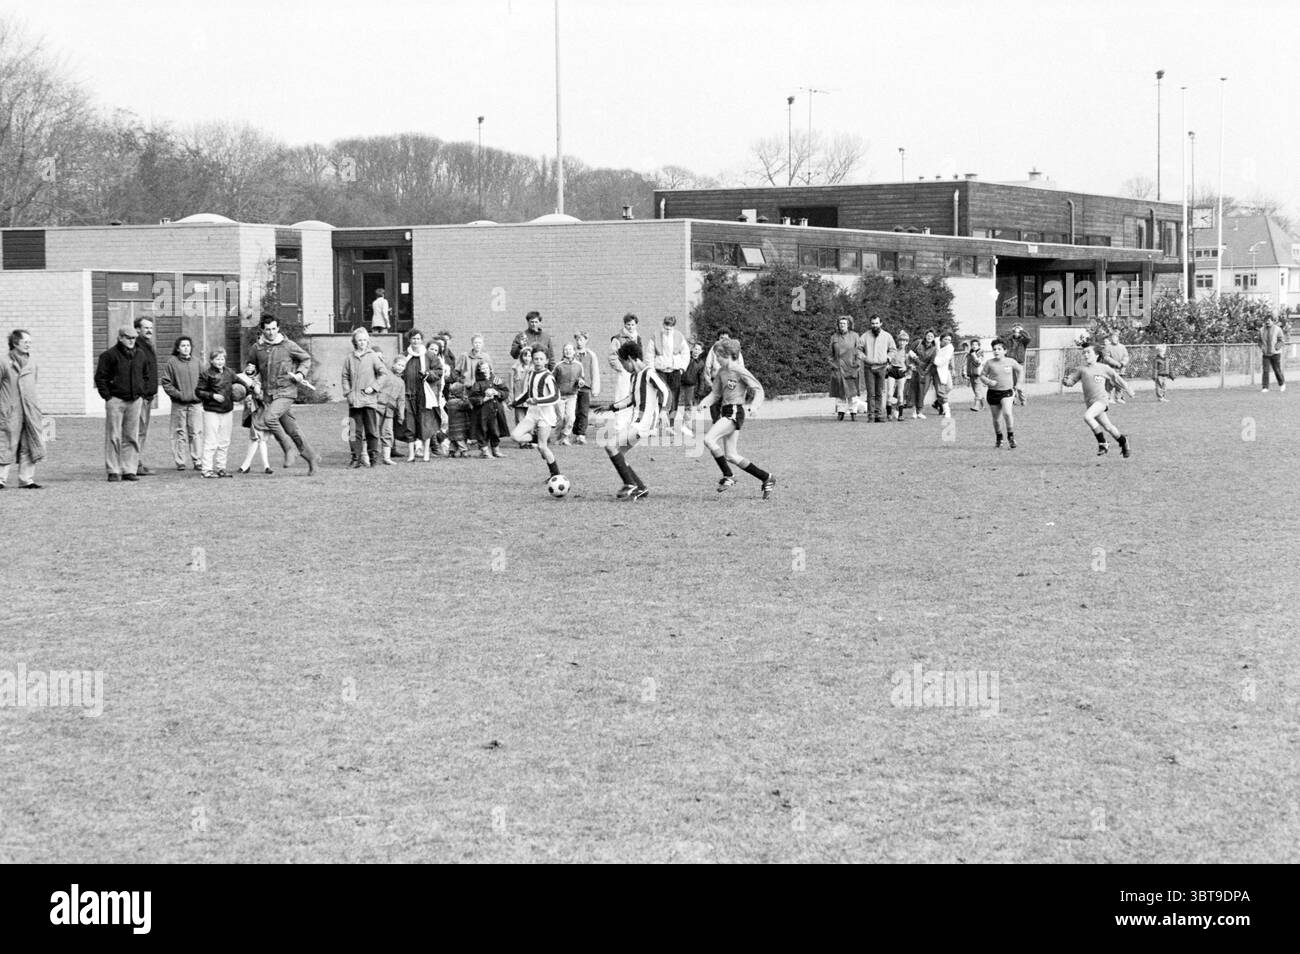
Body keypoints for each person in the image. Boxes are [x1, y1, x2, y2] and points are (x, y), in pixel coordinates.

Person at [699, 339, 776, 499]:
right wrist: (704, 403)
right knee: (731, 455)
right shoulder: (721, 372)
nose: (716, 359)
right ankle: (766, 478)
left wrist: (754, 406)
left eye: (718, 355)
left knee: (708, 439)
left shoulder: (740, 371)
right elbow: (715, 394)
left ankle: (728, 475)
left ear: (727, 355)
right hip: (726, 411)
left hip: (735, 411)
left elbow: (758, 389)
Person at [246, 314, 320, 475]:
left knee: (269, 418)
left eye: (273, 329)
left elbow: (305, 359)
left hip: (286, 392)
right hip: (269, 396)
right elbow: (251, 368)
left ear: (278, 328)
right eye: (267, 330)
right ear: (262, 330)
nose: (271, 332)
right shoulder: (257, 348)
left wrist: (300, 373)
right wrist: (250, 372)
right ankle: (312, 458)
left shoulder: (288, 345)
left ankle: (288, 449)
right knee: (293, 430)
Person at [603, 339, 669, 501]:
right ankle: (640, 488)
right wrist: (611, 407)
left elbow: (665, 391)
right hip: (638, 422)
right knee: (619, 452)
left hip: (643, 423)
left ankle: (630, 484)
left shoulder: (649, 373)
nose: (623, 367)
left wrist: (664, 412)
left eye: (623, 363)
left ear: (631, 359)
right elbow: (631, 399)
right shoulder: (635, 377)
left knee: (611, 445)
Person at [94, 326, 149, 482]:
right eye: (128, 337)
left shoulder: (140, 354)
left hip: (135, 400)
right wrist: (108, 397)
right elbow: (100, 378)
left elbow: (146, 375)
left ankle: (129, 469)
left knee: (131, 436)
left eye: (134, 338)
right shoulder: (109, 356)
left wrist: (141, 392)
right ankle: (113, 469)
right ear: (120, 338)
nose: (131, 341)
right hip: (116, 400)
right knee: (114, 436)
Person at [1062, 343, 1132, 458]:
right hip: (1091, 403)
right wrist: (1066, 381)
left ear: (1096, 355)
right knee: (1109, 427)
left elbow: (1116, 378)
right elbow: (1071, 381)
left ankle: (1103, 443)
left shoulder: (1103, 368)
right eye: (1084, 352)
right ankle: (1123, 441)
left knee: (1087, 417)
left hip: (1102, 401)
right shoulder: (1082, 369)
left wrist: (1127, 389)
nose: (1085, 354)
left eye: (1088, 352)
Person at [509, 347, 564, 483]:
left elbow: (555, 396)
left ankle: (555, 475)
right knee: (515, 436)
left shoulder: (548, 376)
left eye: (541, 359)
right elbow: (528, 393)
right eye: (536, 359)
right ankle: (534, 437)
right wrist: (515, 402)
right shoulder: (532, 373)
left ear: (546, 361)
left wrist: (537, 400)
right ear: (532, 360)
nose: (538, 361)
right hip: (532, 414)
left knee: (542, 447)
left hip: (545, 415)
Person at [0, 329, 46, 490]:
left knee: (29, 443)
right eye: (25, 342)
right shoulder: (3, 362)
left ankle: (27, 479)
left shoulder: (32, 363)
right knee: (6, 443)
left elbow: (33, 383)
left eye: (30, 342)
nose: (29, 345)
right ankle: (1, 479)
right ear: (14, 343)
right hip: (10, 410)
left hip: (30, 410)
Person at [341, 327, 389, 468]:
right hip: (354, 401)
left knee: (372, 430)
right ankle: (355, 458)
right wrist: (348, 393)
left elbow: (383, 374)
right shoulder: (349, 358)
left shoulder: (373, 356)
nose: (362, 343)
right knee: (353, 431)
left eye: (364, 340)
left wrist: (373, 387)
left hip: (369, 400)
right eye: (359, 340)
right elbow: (345, 376)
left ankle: (373, 458)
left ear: (368, 341)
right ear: (355, 341)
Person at [161, 335, 203, 472]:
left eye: (188, 345)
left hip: (195, 404)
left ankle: (198, 460)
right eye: (183, 346)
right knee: (179, 433)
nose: (186, 348)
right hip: (179, 404)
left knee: (196, 432)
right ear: (178, 348)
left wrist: (200, 394)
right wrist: (178, 395)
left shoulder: (197, 362)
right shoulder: (171, 363)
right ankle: (180, 462)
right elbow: (166, 382)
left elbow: (204, 379)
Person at [398, 330, 441, 461]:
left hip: (424, 395)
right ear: (409, 340)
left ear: (421, 340)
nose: (415, 341)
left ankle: (426, 453)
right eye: (413, 339)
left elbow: (439, 371)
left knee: (425, 423)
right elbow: (396, 368)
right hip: (408, 394)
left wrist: (428, 374)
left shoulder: (429, 356)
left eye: (418, 339)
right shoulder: (404, 355)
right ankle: (411, 454)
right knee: (409, 423)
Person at [195, 348, 236, 478]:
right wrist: (213, 396)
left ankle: (221, 468)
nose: (220, 361)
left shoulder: (229, 372)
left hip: (227, 410)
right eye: (217, 359)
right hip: (211, 411)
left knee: (224, 441)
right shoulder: (206, 374)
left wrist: (251, 388)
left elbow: (240, 382)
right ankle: (206, 470)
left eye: (222, 359)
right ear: (211, 360)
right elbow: (198, 391)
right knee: (211, 441)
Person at [978, 339, 1024, 449]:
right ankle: (999, 437)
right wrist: (989, 382)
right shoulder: (989, 363)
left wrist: (1019, 384)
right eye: (994, 349)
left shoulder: (1011, 361)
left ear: (1005, 350)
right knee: (997, 419)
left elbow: (1020, 370)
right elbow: (982, 376)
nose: (996, 351)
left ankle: (1011, 437)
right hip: (993, 393)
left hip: (1007, 392)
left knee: (1007, 413)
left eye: (999, 349)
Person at [648, 315, 689, 436]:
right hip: (660, 371)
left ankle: (670, 425)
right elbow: (649, 354)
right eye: (666, 327)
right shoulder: (655, 336)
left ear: (673, 327)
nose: (668, 330)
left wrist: (682, 368)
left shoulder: (679, 336)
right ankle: (656, 426)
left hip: (675, 371)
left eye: (670, 328)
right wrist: (651, 370)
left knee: (674, 399)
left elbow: (685, 353)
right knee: (660, 398)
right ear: (663, 325)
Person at [132, 316, 159, 475]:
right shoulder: (138, 347)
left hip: (148, 397)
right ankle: (133, 464)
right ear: (137, 330)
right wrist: (141, 392)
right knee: (137, 431)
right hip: (141, 397)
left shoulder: (149, 346)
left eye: (151, 328)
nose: (149, 330)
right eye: (145, 328)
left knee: (142, 431)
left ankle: (137, 461)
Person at [235, 361, 272, 475]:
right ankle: (265, 466)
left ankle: (247, 465)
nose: (250, 367)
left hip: (263, 409)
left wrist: (256, 390)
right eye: (249, 365)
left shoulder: (265, 377)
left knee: (259, 437)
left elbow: (261, 393)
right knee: (257, 437)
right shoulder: (242, 377)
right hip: (254, 410)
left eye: (253, 365)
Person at [468, 360, 509, 458]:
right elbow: (472, 398)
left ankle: (496, 450)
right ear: (479, 370)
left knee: (495, 430)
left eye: (486, 368)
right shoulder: (477, 383)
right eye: (483, 369)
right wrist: (484, 399)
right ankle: (485, 451)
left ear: (490, 369)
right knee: (483, 430)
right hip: (482, 413)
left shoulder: (496, 380)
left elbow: (505, 392)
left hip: (495, 411)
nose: (485, 370)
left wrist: (497, 393)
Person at [860, 314, 896, 423]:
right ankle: (871, 416)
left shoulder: (887, 336)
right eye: (872, 323)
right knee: (871, 393)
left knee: (880, 393)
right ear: (870, 324)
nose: (874, 325)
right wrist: (864, 357)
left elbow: (893, 349)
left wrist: (889, 357)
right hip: (869, 368)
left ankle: (879, 415)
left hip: (882, 367)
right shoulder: (865, 336)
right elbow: (858, 349)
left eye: (876, 323)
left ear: (881, 323)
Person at [608, 313, 642, 428]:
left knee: (634, 397)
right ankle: (620, 425)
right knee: (622, 397)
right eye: (628, 324)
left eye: (633, 324)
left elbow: (639, 357)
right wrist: (622, 369)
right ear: (624, 325)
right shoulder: (617, 339)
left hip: (636, 373)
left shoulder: (638, 338)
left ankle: (631, 424)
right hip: (624, 373)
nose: (630, 327)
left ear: (636, 325)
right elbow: (612, 357)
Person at [375, 353, 408, 465]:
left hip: (390, 411)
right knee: (373, 430)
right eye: (398, 364)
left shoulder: (402, 382)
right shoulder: (386, 374)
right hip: (378, 406)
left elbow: (401, 400)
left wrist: (401, 415)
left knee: (388, 432)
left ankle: (387, 457)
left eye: (403, 366)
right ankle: (368, 455)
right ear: (393, 365)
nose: (400, 367)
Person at [828, 316, 863, 422]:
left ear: (848, 325)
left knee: (853, 393)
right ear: (838, 325)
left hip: (851, 367)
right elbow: (830, 354)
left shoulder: (855, 336)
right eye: (840, 323)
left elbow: (859, 351)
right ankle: (841, 413)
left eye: (844, 323)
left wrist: (856, 363)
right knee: (839, 392)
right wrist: (833, 365)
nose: (842, 325)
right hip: (838, 368)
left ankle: (853, 413)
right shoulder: (834, 337)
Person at [552, 342, 586, 446]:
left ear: (574, 352)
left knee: (571, 417)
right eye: (566, 349)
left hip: (572, 395)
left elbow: (581, 377)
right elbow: (552, 379)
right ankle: (558, 437)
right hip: (560, 396)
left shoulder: (579, 365)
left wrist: (580, 382)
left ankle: (565, 437)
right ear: (563, 352)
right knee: (561, 418)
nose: (568, 351)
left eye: (570, 349)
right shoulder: (558, 366)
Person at [572, 332, 601, 444]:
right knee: (573, 410)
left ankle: (581, 434)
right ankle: (574, 432)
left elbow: (594, 371)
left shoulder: (591, 355)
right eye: (577, 340)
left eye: (582, 340)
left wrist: (595, 388)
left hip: (585, 386)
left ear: (586, 340)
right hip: (572, 387)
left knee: (583, 411)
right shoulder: (571, 353)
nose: (579, 342)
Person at [908, 330, 937, 420]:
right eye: (928, 335)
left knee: (923, 391)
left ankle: (919, 411)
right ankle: (913, 411)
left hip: (926, 371)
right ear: (925, 335)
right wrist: (911, 364)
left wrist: (925, 371)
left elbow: (932, 362)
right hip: (915, 369)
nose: (929, 337)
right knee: (914, 390)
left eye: (931, 336)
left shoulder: (934, 348)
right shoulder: (918, 343)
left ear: (933, 338)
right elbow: (909, 352)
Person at [885, 329, 910, 421]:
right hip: (892, 371)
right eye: (901, 340)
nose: (902, 342)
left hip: (901, 372)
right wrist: (888, 365)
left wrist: (906, 368)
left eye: (904, 341)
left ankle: (900, 415)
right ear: (898, 341)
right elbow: (888, 359)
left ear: (907, 342)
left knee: (900, 394)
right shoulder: (893, 350)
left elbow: (910, 364)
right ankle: (889, 414)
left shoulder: (907, 353)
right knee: (889, 393)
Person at [1100, 331, 1130, 403]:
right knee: (1110, 384)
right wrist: (1116, 364)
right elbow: (1106, 357)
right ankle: (1109, 398)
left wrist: (1122, 363)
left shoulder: (1122, 347)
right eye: (1112, 337)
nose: (1113, 339)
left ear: (1118, 338)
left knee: (1120, 384)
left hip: (1121, 369)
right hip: (1112, 369)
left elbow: (1126, 356)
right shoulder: (1108, 347)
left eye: (1115, 337)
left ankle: (1118, 398)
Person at [1006, 323, 1031, 405]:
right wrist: (1011, 331)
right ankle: (1012, 399)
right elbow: (1002, 338)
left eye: (1018, 332)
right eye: (1015, 331)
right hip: (1010, 363)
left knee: (1019, 383)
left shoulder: (1023, 341)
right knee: (1010, 383)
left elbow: (1028, 338)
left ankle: (1023, 400)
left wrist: (1021, 330)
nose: (1016, 333)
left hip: (1019, 363)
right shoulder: (1009, 340)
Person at [1259, 316, 1286, 392]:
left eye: (1269, 321)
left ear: (1272, 321)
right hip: (1265, 354)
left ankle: (1282, 384)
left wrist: (1276, 347)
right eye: (1266, 321)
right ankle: (1265, 387)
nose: (1267, 322)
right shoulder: (1261, 330)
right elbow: (1259, 341)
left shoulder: (1278, 329)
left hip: (1275, 354)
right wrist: (1262, 347)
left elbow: (1281, 340)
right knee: (1265, 370)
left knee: (1277, 370)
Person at [933, 333, 955, 418]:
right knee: (940, 390)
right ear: (941, 339)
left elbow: (946, 359)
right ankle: (946, 409)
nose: (947, 341)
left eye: (949, 340)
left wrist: (953, 368)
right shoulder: (935, 342)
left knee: (949, 387)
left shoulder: (950, 348)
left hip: (943, 368)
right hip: (933, 369)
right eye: (946, 339)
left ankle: (938, 402)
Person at [965, 339, 987, 412]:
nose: (974, 346)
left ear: (979, 345)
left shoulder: (980, 353)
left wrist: (973, 355)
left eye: (976, 345)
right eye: (972, 345)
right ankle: (983, 405)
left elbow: (978, 362)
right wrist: (964, 372)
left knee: (977, 390)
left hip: (978, 374)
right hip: (971, 374)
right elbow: (966, 363)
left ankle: (976, 406)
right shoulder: (969, 353)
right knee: (976, 391)